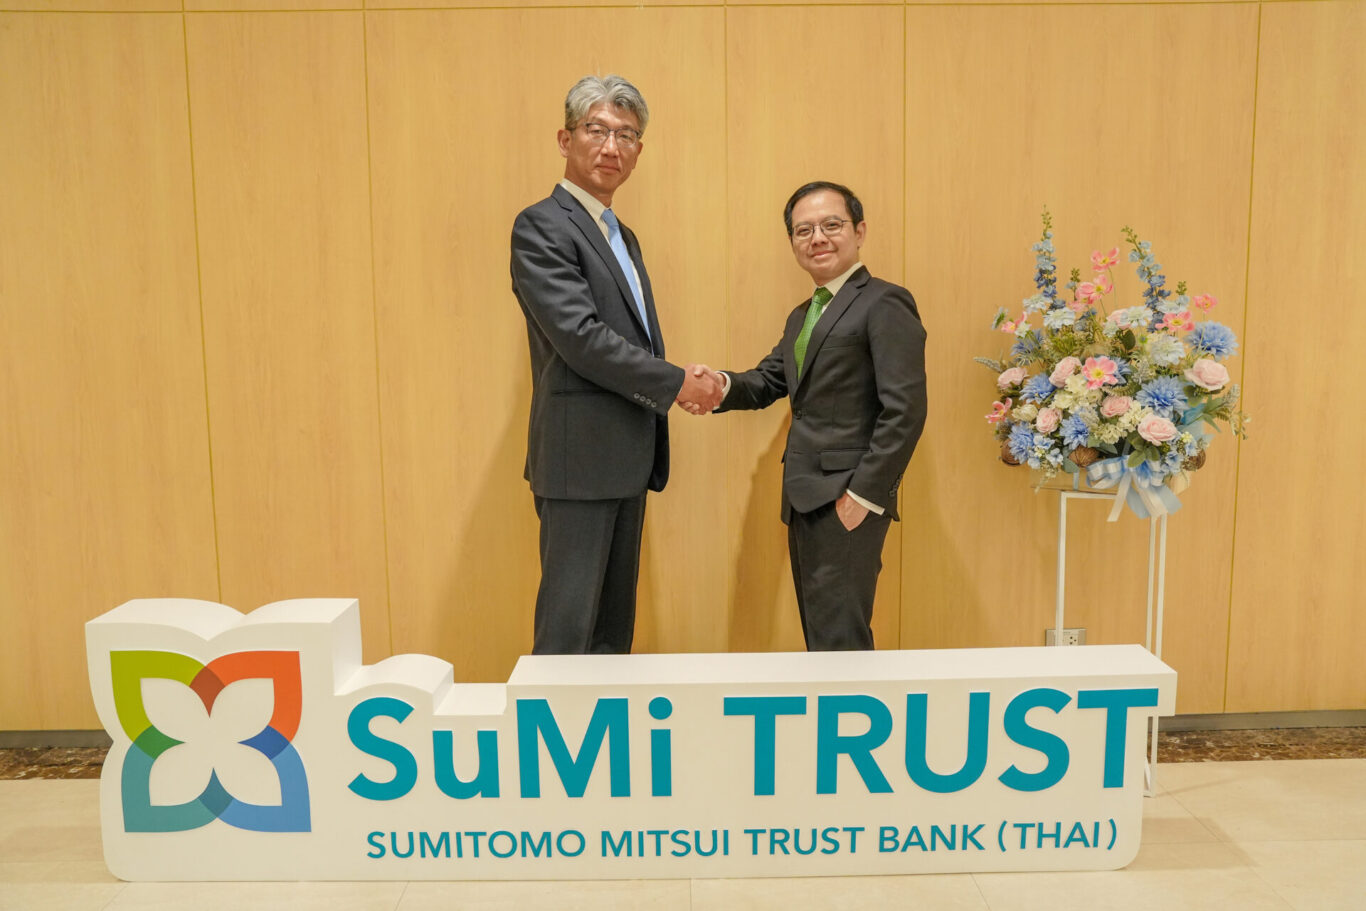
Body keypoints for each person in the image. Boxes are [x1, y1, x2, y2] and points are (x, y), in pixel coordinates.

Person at [510, 74, 722, 655]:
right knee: (568, 634)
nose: (612, 147)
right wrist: (677, 383)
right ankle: (553, 719)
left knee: (610, 636)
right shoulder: (542, 225)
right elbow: (580, 338)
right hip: (578, 462)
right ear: (566, 139)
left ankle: (598, 721)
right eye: (597, 130)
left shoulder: (621, 235)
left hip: (626, 456)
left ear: (638, 150)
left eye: (626, 135)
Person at [684, 181, 927, 650]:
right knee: (822, 640)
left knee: (841, 642)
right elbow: (767, 381)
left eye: (831, 225)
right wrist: (717, 385)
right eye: (803, 230)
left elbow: (906, 410)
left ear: (859, 231)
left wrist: (864, 496)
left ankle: (855, 705)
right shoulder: (804, 314)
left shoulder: (884, 302)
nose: (817, 238)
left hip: (847, 497)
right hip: (803, 499)